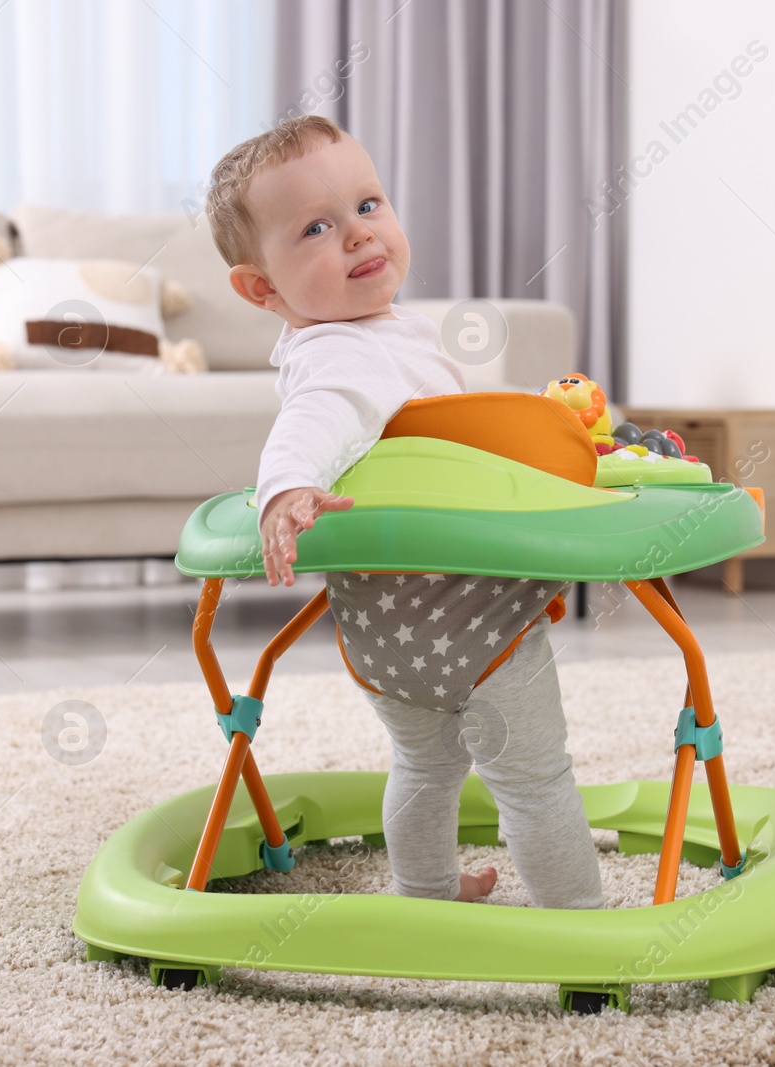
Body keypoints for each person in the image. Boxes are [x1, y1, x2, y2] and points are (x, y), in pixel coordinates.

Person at [203, 115, 603, 910]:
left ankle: (426, 890)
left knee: (425, 766)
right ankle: (584, 923)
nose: (357, 235)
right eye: (317, 227)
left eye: (368, 204)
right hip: (478, 621)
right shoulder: (342, 353)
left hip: (386, 634)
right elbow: (316, 417)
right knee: (532, 778)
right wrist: (285, 484)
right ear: (262, 288)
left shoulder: (382, 335)